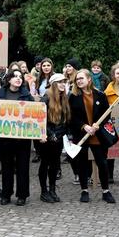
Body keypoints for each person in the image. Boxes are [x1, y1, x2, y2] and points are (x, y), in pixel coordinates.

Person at [69, 69, 115, 203]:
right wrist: (84, 126)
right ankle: (84, 191)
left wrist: (97, 126)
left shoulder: (100, 95)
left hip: (98, 135)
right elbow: (71, 117)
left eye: (81, 78)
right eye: (77, 79)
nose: (79, 81)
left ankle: (106, 191)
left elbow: (107, 115)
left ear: (89, 79)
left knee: (102, 163)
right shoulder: (73, 96)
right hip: (81, 135)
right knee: (82, 164)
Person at [0, 69, 34, 206]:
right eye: (15, 76)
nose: (18, 79)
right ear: (9, 79)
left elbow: (34, 116)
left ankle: (22, 195)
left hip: (23, 139)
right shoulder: (0, 95)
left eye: (20, 77)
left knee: (23, 167)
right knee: (6, 167)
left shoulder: (27, 95)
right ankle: (6, 194)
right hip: (6, 139)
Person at [38, 73, 70, 203]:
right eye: (60, 82)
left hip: (58, 137)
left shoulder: (64, 98)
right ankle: (43, 192)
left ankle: (52, 190)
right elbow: (41, 119)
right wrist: (51, 134)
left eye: (64, 81)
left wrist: (62, 134)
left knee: (55, 165)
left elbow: (65, 120)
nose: (63, 84)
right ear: (53, 84)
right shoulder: (45, 98)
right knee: (45, 164)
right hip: (46, 138)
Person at [104, 62, 119, 183]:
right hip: (113, 122)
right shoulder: (108, 91)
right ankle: (109, 175)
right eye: (118, 73)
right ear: (114, 75)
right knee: (111, 147)